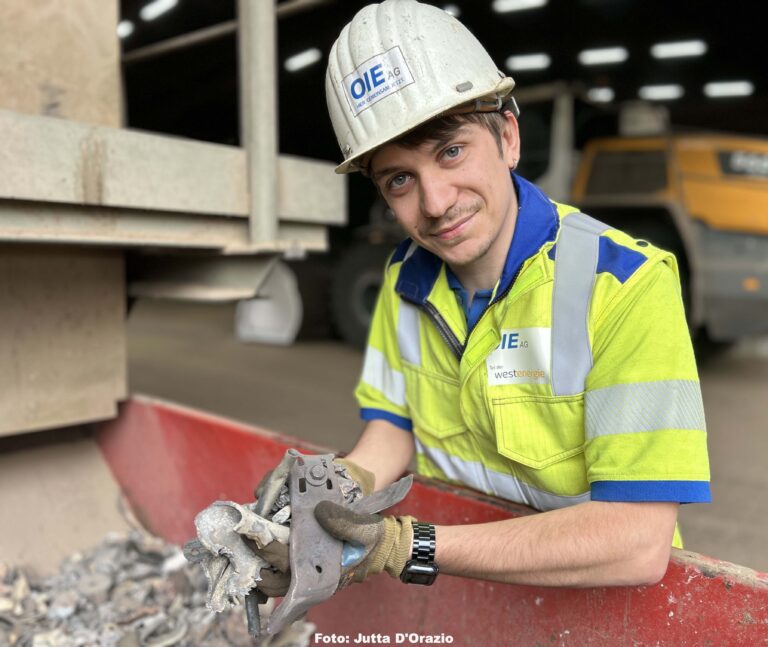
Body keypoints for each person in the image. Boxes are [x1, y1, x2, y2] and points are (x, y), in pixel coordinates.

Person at [258, 0, 711, 595]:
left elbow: (637, 541)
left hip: (595, 604)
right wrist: (328, 492)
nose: (437, 202)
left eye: (451, 152)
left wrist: (405, 544)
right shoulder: (404, 281)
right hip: (466, 587)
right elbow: (393, 431)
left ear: (508, 137)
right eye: (400, 179)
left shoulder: (622, 285)